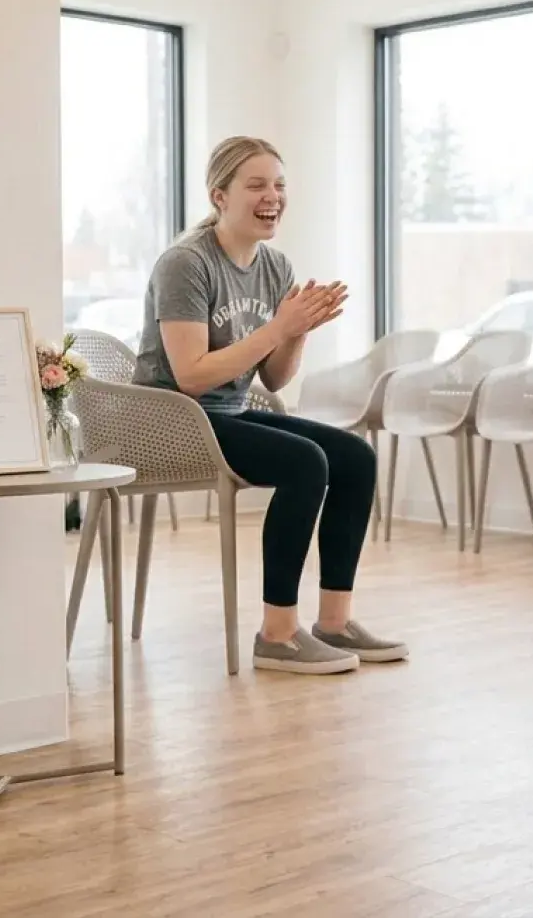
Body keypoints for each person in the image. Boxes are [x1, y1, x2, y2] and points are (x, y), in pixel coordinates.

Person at [133, 135, 405, 675]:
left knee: (354, 456)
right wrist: (280, 325)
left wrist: (298, 331)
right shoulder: (185, 264)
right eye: (256, 185)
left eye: (279, 185)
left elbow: (275, 378)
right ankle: (277, 634)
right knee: (306, 462)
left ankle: (334, 621)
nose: (272, 196)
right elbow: (189, 377)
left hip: (226, 415)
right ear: (220, 196)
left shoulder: (275, 266)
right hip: (168, 421)